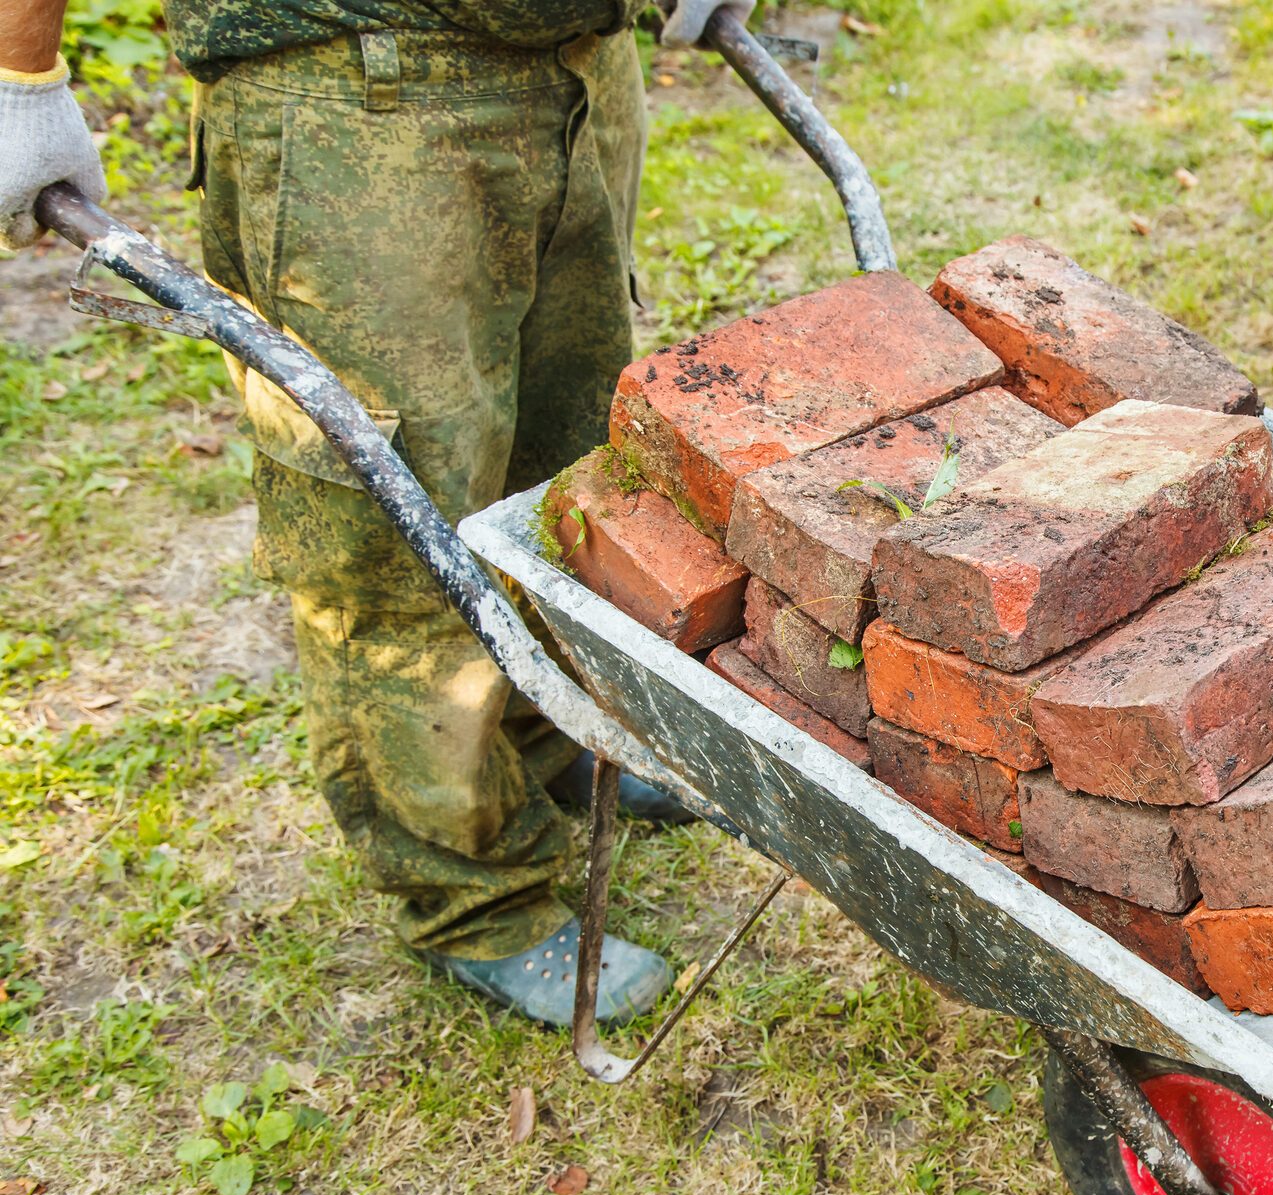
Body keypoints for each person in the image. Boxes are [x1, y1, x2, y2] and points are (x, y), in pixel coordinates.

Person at [0, 0, 740, 1027]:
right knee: (402, 529)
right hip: (359, 92)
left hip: (573, 66)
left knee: (565, 466)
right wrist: (21, 74)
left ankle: (543, 742)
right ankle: (472, 895)